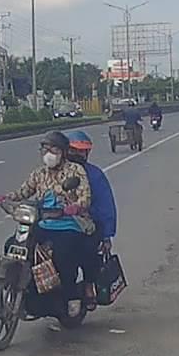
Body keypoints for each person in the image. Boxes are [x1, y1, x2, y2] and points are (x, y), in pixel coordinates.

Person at [0, 131, 95, 313]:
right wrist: (5, 198)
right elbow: (23, 192)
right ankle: (20, 288)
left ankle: (70, 296)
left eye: (53, 150)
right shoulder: (39, 173)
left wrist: (75, 207)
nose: (48, 154)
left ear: (63, 152)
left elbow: (85, 197)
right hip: (43, 223)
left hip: (68, 223)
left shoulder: (75, 171)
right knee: (12, 245)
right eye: (45, 149)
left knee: (62, 256)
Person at [64, 130, 117, 310]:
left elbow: (105, 206)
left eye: (82, 151)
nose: (77, 155)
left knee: (87, 251)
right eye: (74, 150)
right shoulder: (54, 172)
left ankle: (88, 285)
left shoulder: (94, 175)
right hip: (55, 222)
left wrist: (107, 236)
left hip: (86, 224)